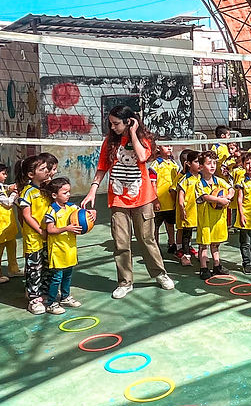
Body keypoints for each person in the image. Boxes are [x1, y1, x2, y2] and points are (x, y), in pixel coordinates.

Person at [81, 105, 174, 299]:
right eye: (111, 123)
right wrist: (92, 189)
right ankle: (125, 282)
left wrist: (133, 132)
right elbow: (102, 168)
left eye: (116, 123)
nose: (113, 127)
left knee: (146, 238)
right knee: (121, 242)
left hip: (142, 197)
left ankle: (160, 274)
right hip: (117, 198)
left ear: (129, 121)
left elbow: (141, 157)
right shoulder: (109, 142)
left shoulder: (144, 139)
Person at [41, 176, 93, 314]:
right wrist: (66, 228)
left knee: (68, 275)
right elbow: (50, 230)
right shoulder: (51, 211)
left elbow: (85, 213)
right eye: (65, 193)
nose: (68, 195)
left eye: (69, 192)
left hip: (70, 249)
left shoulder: (71, 207)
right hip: (58, 250)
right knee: (56, 277)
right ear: (54, 195)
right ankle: (51, 303)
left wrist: (91, 215)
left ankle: (65, 297)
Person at [17, 152, 58, 315]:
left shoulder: (47, 190)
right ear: (31, 174)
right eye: (43, 169)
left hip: (48, 236)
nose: (47, 171)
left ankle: (45, 294)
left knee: (48, 266)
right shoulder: (27, 192)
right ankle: (34, 298)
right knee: (34, 268)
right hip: (34, 238)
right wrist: (40, 231)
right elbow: (26, 215)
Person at [195, 151, 232, 279]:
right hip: (205, 219)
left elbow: (231, 189)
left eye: (214, 163)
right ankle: (203, 267)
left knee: (215, 244)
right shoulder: (198, 183)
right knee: (204, 244)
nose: (212, 166)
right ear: (201, 166)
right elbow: (205, 196)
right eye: (209, 163)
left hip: (217, 219)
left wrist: (228, 196)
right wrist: (219, 200)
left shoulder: (219, 181)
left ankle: (217, 265)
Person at [150, 142, 180, 255]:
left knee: (170, 223)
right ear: (159, 147)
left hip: (171, 201)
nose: (169, 148)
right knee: (155, 225)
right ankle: (155, 246)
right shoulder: (155, 165)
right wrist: (155, 199)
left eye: (170, 145)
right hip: (159, 202)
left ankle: (172, 243)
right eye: (166, 145)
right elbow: (152, 184)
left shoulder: (174, 164)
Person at [176, 149, 202, 264]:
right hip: (188, 212)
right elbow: (180, 197)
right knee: (187, 233)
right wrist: (182, 210)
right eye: (196, 162)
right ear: (189, 164)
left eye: (201, 162)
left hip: (200, 211)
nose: (199, 164)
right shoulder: (185, 179)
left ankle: (202, 254)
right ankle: (186, 256)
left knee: (201, 233)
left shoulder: (203, 178)